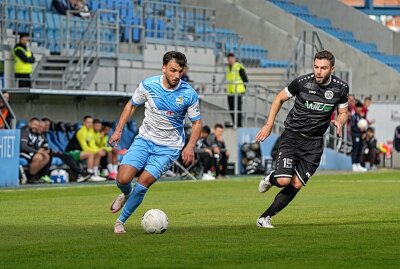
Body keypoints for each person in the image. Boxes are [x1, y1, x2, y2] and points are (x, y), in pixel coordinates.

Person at [108, 51, 202, 234]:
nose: (176, 75)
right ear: (164, 68)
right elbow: (131, 105)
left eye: (180, 71)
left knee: (143, 184)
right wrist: (118, 130)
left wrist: (190, 145)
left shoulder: (189, 93)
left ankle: (120, 222)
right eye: (173, 70)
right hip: (144, 140)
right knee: (122, 179)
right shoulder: (149, 85)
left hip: (169, 147)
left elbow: (197, 123)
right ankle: (126, 193)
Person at [255, 50, 349, 229]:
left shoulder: (341, 88)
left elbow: (344, 112)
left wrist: (339, 121)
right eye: (316, 67)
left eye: (323, 68)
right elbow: (279, 98)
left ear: (332, 69)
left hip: (314, 143)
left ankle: (264, 218)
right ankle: (271, 178)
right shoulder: (302, 82)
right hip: (292, 136)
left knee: (296, 183)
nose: (318, 71)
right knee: (283, 180)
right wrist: (268, 125)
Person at [65, 115, 106, 182]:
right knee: (90, 153)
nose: (90, 124)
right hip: (71, 152)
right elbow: (85, 148)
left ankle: (95, 174)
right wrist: (96, 150)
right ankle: (90, 174)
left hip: (80, 152)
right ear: (84, 123)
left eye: (91, 122)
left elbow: (92, 145)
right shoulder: (81, 132)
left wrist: (99, 150)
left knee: (97, 153)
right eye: (88, 122)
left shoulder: (89, 131)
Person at [20, 117, 52, 183]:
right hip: (22, 152)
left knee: (46, 156)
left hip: (31, 152)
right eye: (34, 124)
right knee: (39, 157)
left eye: (37, 125)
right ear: (29, 123)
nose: (36, 127)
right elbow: (23, 147)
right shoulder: (25, 130)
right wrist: (37, 151)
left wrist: (42, 151)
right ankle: (30, 177)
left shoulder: (35, 133)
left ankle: (34, 176)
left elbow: (38, 145)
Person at [226, 52, 248, 127]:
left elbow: (245, 79)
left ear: (234, 58)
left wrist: (243, 90)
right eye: (229, 59)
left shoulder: (239, 66)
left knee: (237, 110)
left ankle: (239, 125)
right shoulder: (228, 68)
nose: (230, 60)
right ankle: (234, 123)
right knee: (231, 109)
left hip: (238, 92)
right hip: (230, 92)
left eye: (231, 58)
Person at [350, 101, 367, 172]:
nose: (359, 109)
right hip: (355, 135)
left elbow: (364, 127)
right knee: (355, 149)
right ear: (356, 108)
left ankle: (358, 164)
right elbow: (352, 127)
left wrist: (364, 133)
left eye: (361, 107)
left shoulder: (360, 117)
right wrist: (359, 130)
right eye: (358, 107)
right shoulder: (354, 117)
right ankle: (353, 164)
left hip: (360, 136)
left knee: (360, 149)